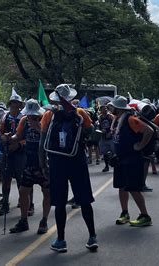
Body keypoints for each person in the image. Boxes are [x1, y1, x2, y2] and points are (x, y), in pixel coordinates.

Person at [39, 84, 97, 253]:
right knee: (85, 199)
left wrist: (43, 164)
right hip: (77, 160)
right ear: (70, 98)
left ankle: (61, 240)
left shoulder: (48, 115)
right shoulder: (80, 114)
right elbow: (92, 133)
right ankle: (92, 237)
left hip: (57, 162)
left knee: (60, 203)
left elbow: (43, 143)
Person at [109, 96, 153, 227]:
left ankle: (145, 215)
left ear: (118, 108)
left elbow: (148, 131)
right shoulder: (119, 119)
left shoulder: (130, 119)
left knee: (133, 188)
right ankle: (125, 213)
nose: (111, 109)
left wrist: (139, 145)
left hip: (132, 159)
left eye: (113, 107)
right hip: (121, 158)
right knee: (121, 186)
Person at [9, 99, 51, 234]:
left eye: (33, 115)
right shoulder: (24, 121)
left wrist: (38, 127)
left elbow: (50, 139)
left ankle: (44, 220)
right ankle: (23, 220)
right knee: (23, 191)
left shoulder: (45, 120)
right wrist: (10, 138)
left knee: (47, 192)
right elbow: (18, 135)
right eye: (29, 114)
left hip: (44, 163)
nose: (31, 117)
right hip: (29, 162)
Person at [0, 92, 33, 217]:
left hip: (21, 153)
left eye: (17, 103)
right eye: (12, 103)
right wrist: (3, 138)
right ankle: (5, 204)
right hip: (7, 152)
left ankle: (29, 205)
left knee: (23, 180)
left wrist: (18, 144)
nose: (14, 105)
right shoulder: (5, 117)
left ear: (20, 105)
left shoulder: (25, 118)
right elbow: (0, 133)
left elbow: (30, 136)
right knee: (5, 179)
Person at [97, 105, 115, 172]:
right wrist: (100, 130)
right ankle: (106, 166)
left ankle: (115, 164)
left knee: (114, 151)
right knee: (104, 152)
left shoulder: (111, 116)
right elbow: (99, 126)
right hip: (103, 137)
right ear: (101, 111)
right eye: (103, 109)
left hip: (111, 137)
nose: (105, 110)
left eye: (106, 109)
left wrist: (110, 132)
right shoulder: (100, 117)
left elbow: (115, 125)